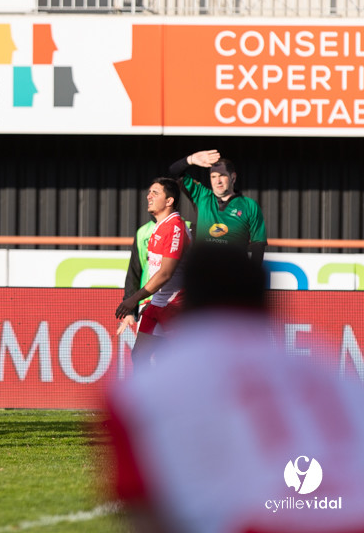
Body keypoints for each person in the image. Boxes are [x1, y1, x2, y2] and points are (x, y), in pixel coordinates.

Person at [105, 243, 364, 533]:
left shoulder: (144, 389)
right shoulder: (331, 370)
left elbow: (147, 512)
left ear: (188, 301)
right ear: (266, 301)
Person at [115, 178, 192, 366]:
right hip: (157, 304)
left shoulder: (175, 227)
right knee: (139, 357)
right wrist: (149, 301)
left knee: (183, 363)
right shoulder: (158, 226)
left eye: (155, 193)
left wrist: (135, 299)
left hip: (176, 306)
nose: (148, 196)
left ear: (169, 200)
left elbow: (165, 274)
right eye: (149, 192)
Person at [170, 150, 267, 266]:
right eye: (213, 176)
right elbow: (174, 171)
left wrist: (252, 277)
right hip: (204, 273)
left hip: (234, 275)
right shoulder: (202, 196)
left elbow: (258, 244)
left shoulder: (249, 205)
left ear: (233, 177)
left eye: (222, 176)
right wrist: (191, 159)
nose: (218, 181)